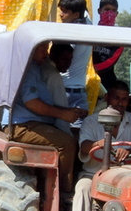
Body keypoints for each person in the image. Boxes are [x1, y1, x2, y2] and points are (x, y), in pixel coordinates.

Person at [70, 80, 131, 211]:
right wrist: (96, 144)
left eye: (124, 99)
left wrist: (129, 152)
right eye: (116, 98)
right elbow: (83, 146)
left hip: (126, 176)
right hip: (95, 174)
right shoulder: (91, 122)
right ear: (107, 98)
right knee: (83, 187)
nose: (120, 103)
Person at [9, 42, 87, 193]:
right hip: (23, 125)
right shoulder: (30, 69)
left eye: (46, 48)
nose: (46, 53)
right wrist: (63, 114)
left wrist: (68, 110)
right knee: (67, 143)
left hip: (34, 122)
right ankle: (64, 192)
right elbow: (32, 103)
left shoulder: (38, 69)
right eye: (42, 49)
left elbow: (43, 104)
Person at [56, 0, 92, 114]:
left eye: (65, 12)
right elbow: (79, 0)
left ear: (76, 15)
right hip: (80, 92)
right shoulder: (88, 23)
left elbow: (59, 62)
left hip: (64, 92)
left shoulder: (71, 34)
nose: (61, 14)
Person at [41, 42, 75, 134]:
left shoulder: (43, 67)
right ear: (52, 55)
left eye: (70, 60)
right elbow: (62, 116)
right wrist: (68, 136)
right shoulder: (53, 76)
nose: (68, 64)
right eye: (64, 59)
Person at [92, 0, 124, 90]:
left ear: (117, 13)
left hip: (107, 83)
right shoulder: (90, 33)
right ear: (99, 11)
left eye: (113, 10)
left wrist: (92, 70)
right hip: (88, 80)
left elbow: (110, 62)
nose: (110, 13)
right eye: (106, 9)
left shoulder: (119, 38)